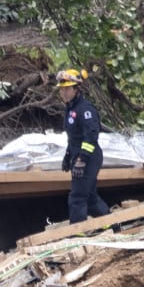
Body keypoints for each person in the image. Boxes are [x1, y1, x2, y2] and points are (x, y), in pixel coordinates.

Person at [57, 68, 110, 223]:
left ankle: (77, 233)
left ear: (76, 89)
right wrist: (68, 156)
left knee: (77, 197)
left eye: (67, 89)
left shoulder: (86, 109)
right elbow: (73, 137)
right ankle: (111, 225)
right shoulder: (70, 109)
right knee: (90, 196)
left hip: (89, 158)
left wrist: (82, 159)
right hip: (77, 156)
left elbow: (91, 137)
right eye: (62, 89)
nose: (64, 93)